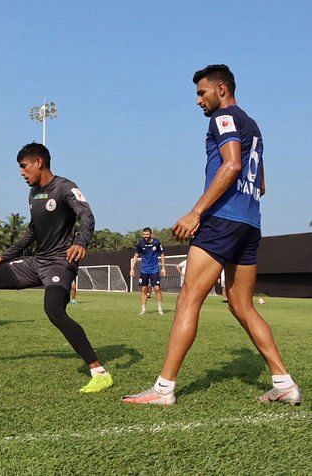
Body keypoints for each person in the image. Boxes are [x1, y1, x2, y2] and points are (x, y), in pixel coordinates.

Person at [123, 65, 301, 405]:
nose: (198, 100)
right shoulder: (254, 125)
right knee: (241, 304)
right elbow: (260, 184)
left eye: (201, 92)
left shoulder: (223, 119)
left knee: (189, 298)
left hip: (221, 220)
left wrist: (197, 212)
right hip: (250, 223)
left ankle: (163, 389)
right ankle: (284, 383)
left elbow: (231, 164)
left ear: (221, 89)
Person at [0, 143, 113, 393]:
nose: (22, 173)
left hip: (60, 262)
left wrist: (81, 241)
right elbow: (32, 233)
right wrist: (5, 256)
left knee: (54, 311)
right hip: (36, 262)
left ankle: (99, 372)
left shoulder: (65, 187)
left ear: (39, 162)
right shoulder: (33, 194)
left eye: (24, 167)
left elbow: (87, 215)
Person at [130, 228, 166, 315]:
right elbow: (135, 256)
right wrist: (132, 268)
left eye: (147, 234)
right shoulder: (140, 244)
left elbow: (162, 254)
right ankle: (143, 309)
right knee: (144, 289)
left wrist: (163, 268)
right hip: (144, 270)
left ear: (151, 234)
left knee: (157, 288)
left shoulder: (156, 243)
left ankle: (160, 309)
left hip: (155, 270)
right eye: (144, 235)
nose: (145, 236)